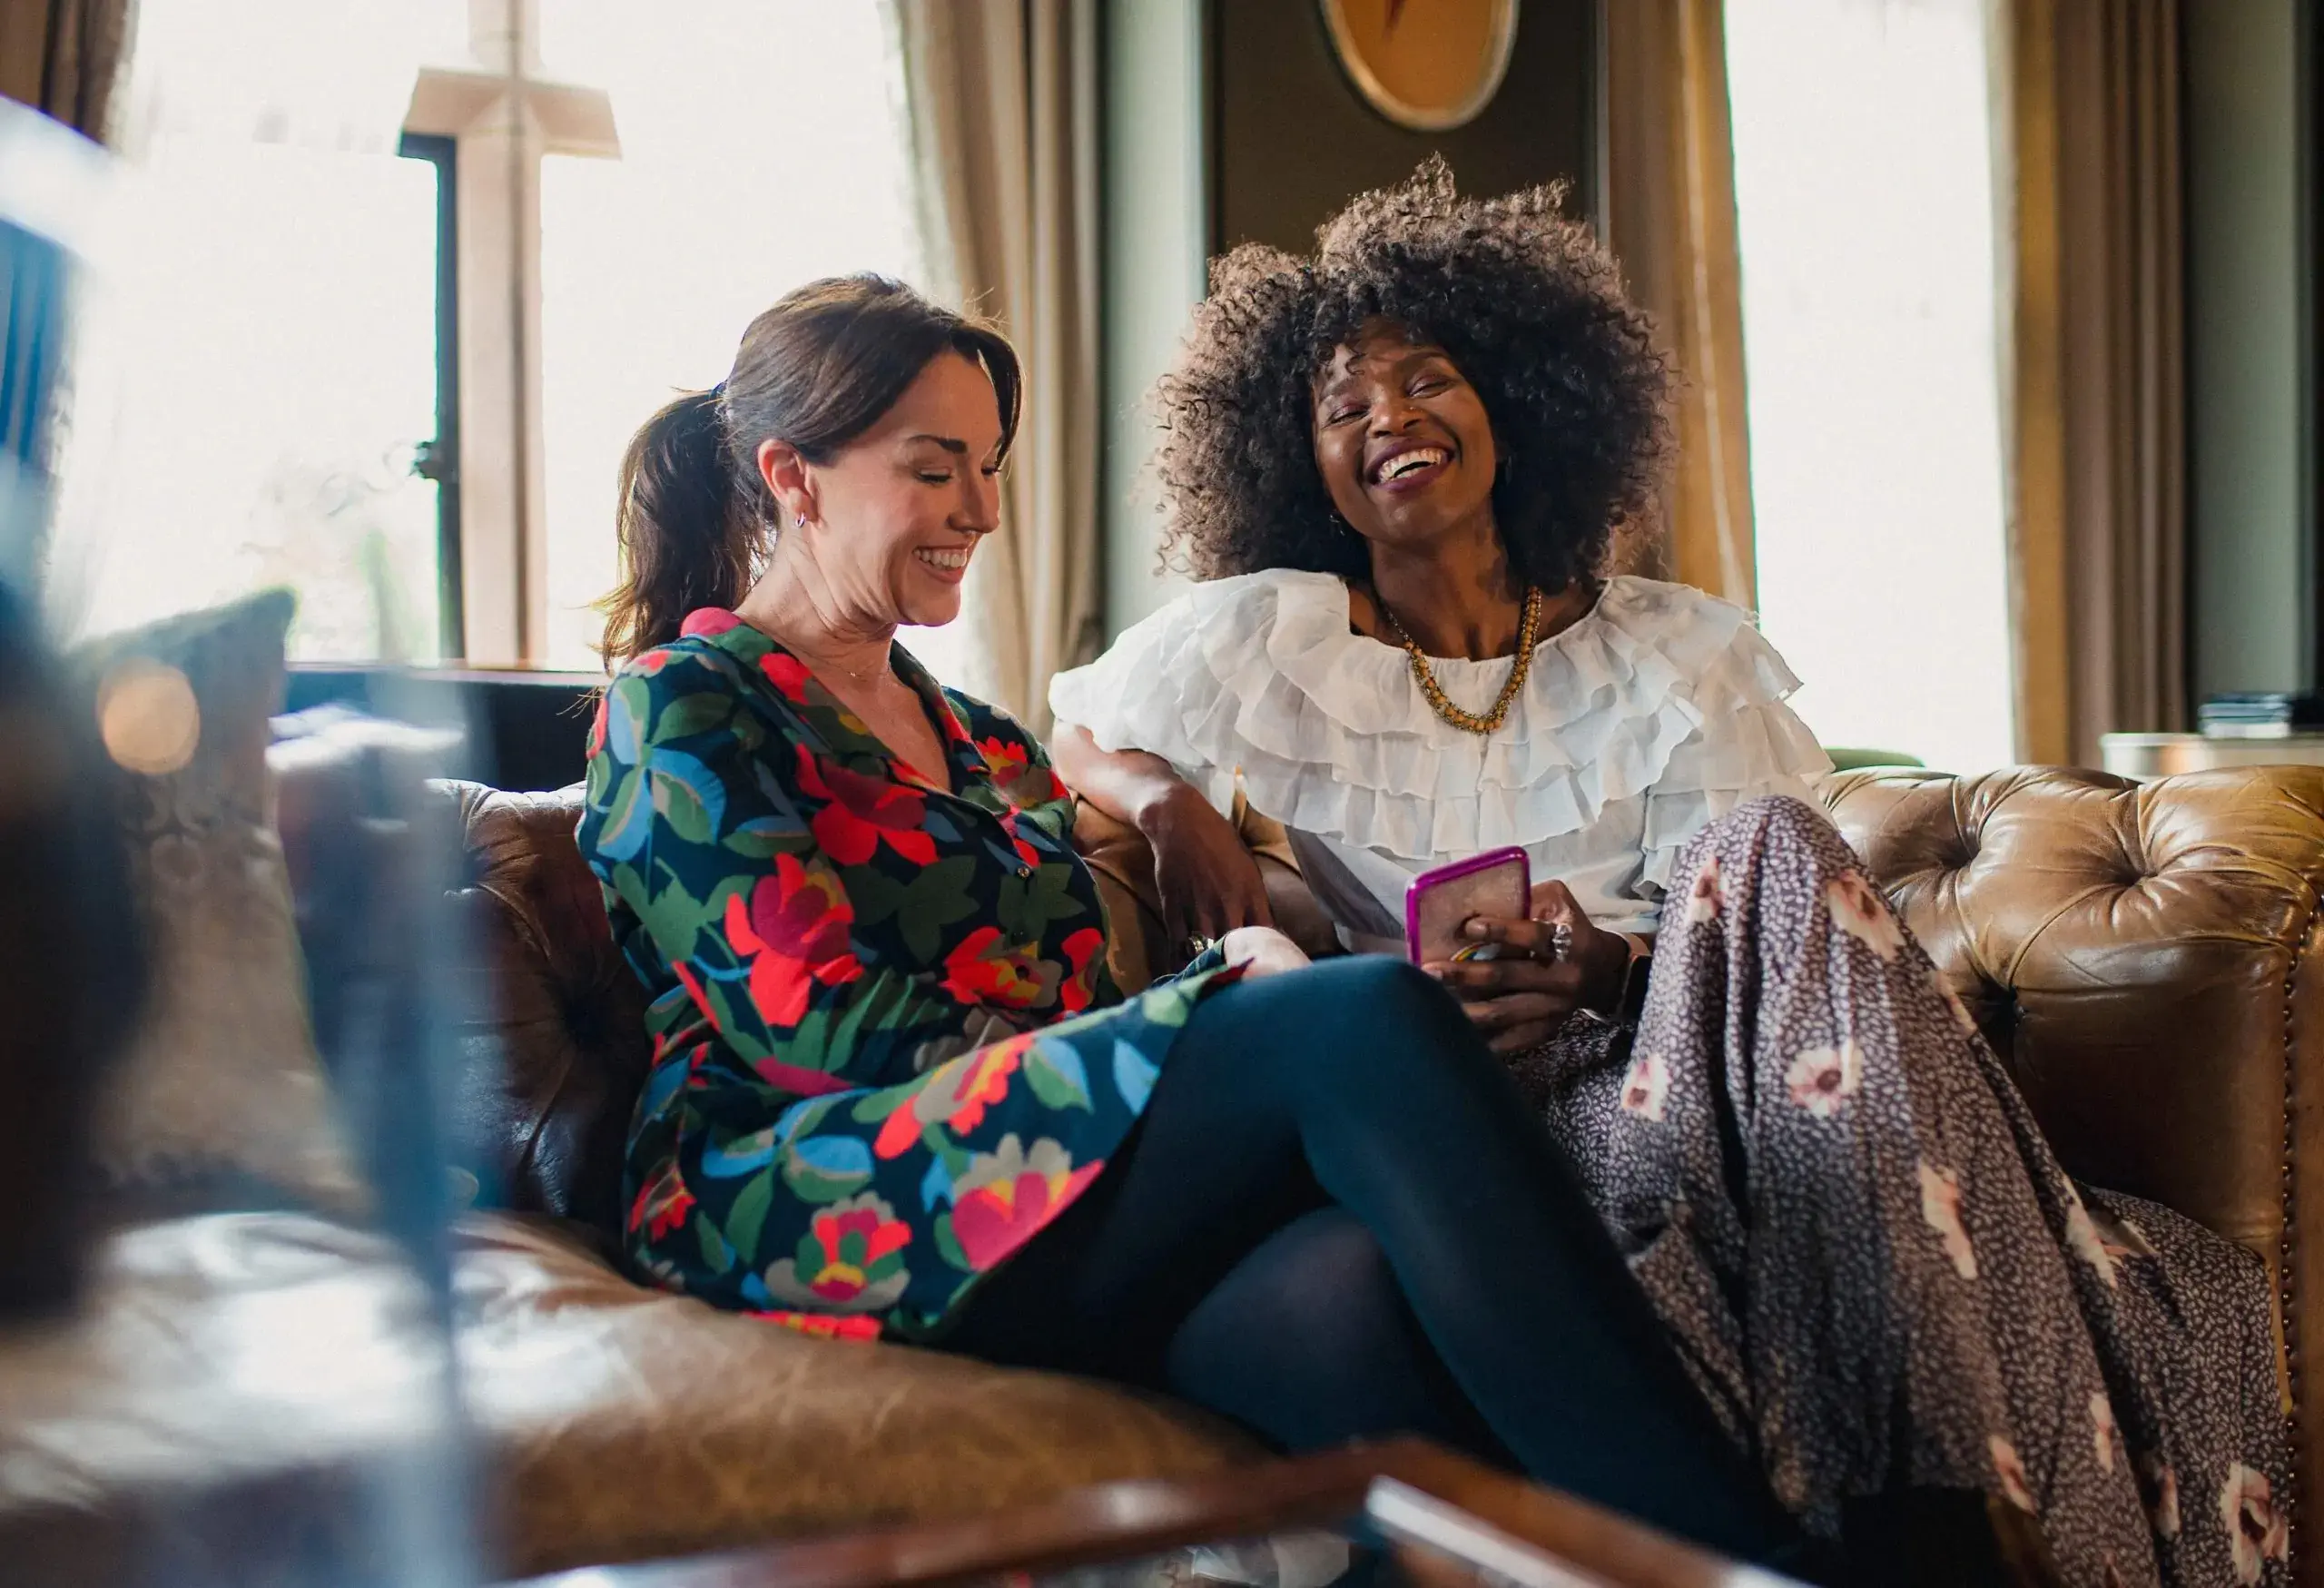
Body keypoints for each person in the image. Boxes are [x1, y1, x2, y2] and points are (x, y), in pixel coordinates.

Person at [1048, 161, 2289, 1588]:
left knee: (1761, 845)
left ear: (1517, 401)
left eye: (1428, 379)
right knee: (1751, 868)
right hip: (1463, 1128)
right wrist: (1157, 797)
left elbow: (1772, 939)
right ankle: (1930, 1512)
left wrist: (1612, 967)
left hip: (1685, 1079)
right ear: (1302, 466)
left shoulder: (1679, 651)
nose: (1389, 417)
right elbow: (1064, 730)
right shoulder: (1263, 639)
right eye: (1342, 408)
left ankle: (1936, 1495)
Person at [576, 274, 1816, 1572]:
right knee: (1362, 1017)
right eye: (934, 470)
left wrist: (1216, 966)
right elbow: (816, 1029)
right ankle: (1736, 1564)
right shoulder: (686, 705)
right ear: (794, 476)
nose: (982, 513)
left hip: (1036, 1187)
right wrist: (1210, 1018)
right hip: (805, 1195)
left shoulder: (985, 748)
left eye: (990, 468)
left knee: (1354, 1296)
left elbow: (1075, 1009)